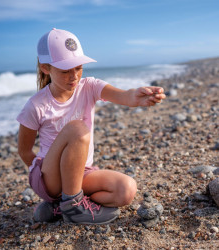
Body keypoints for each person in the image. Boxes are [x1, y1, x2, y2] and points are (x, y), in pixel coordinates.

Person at [17, 28, 166, 225]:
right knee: (77, 129)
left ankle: (60, 206)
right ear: (46, 68)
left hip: (80, 172)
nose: (74, 76)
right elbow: (24, 151)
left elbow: (124, 96)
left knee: (126, 190)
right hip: (49, 177)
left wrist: (138, 97)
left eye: (78, 68)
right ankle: (72, 206)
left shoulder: (89, 87)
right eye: (65, 71)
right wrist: (43, 180)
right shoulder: (36, 105)